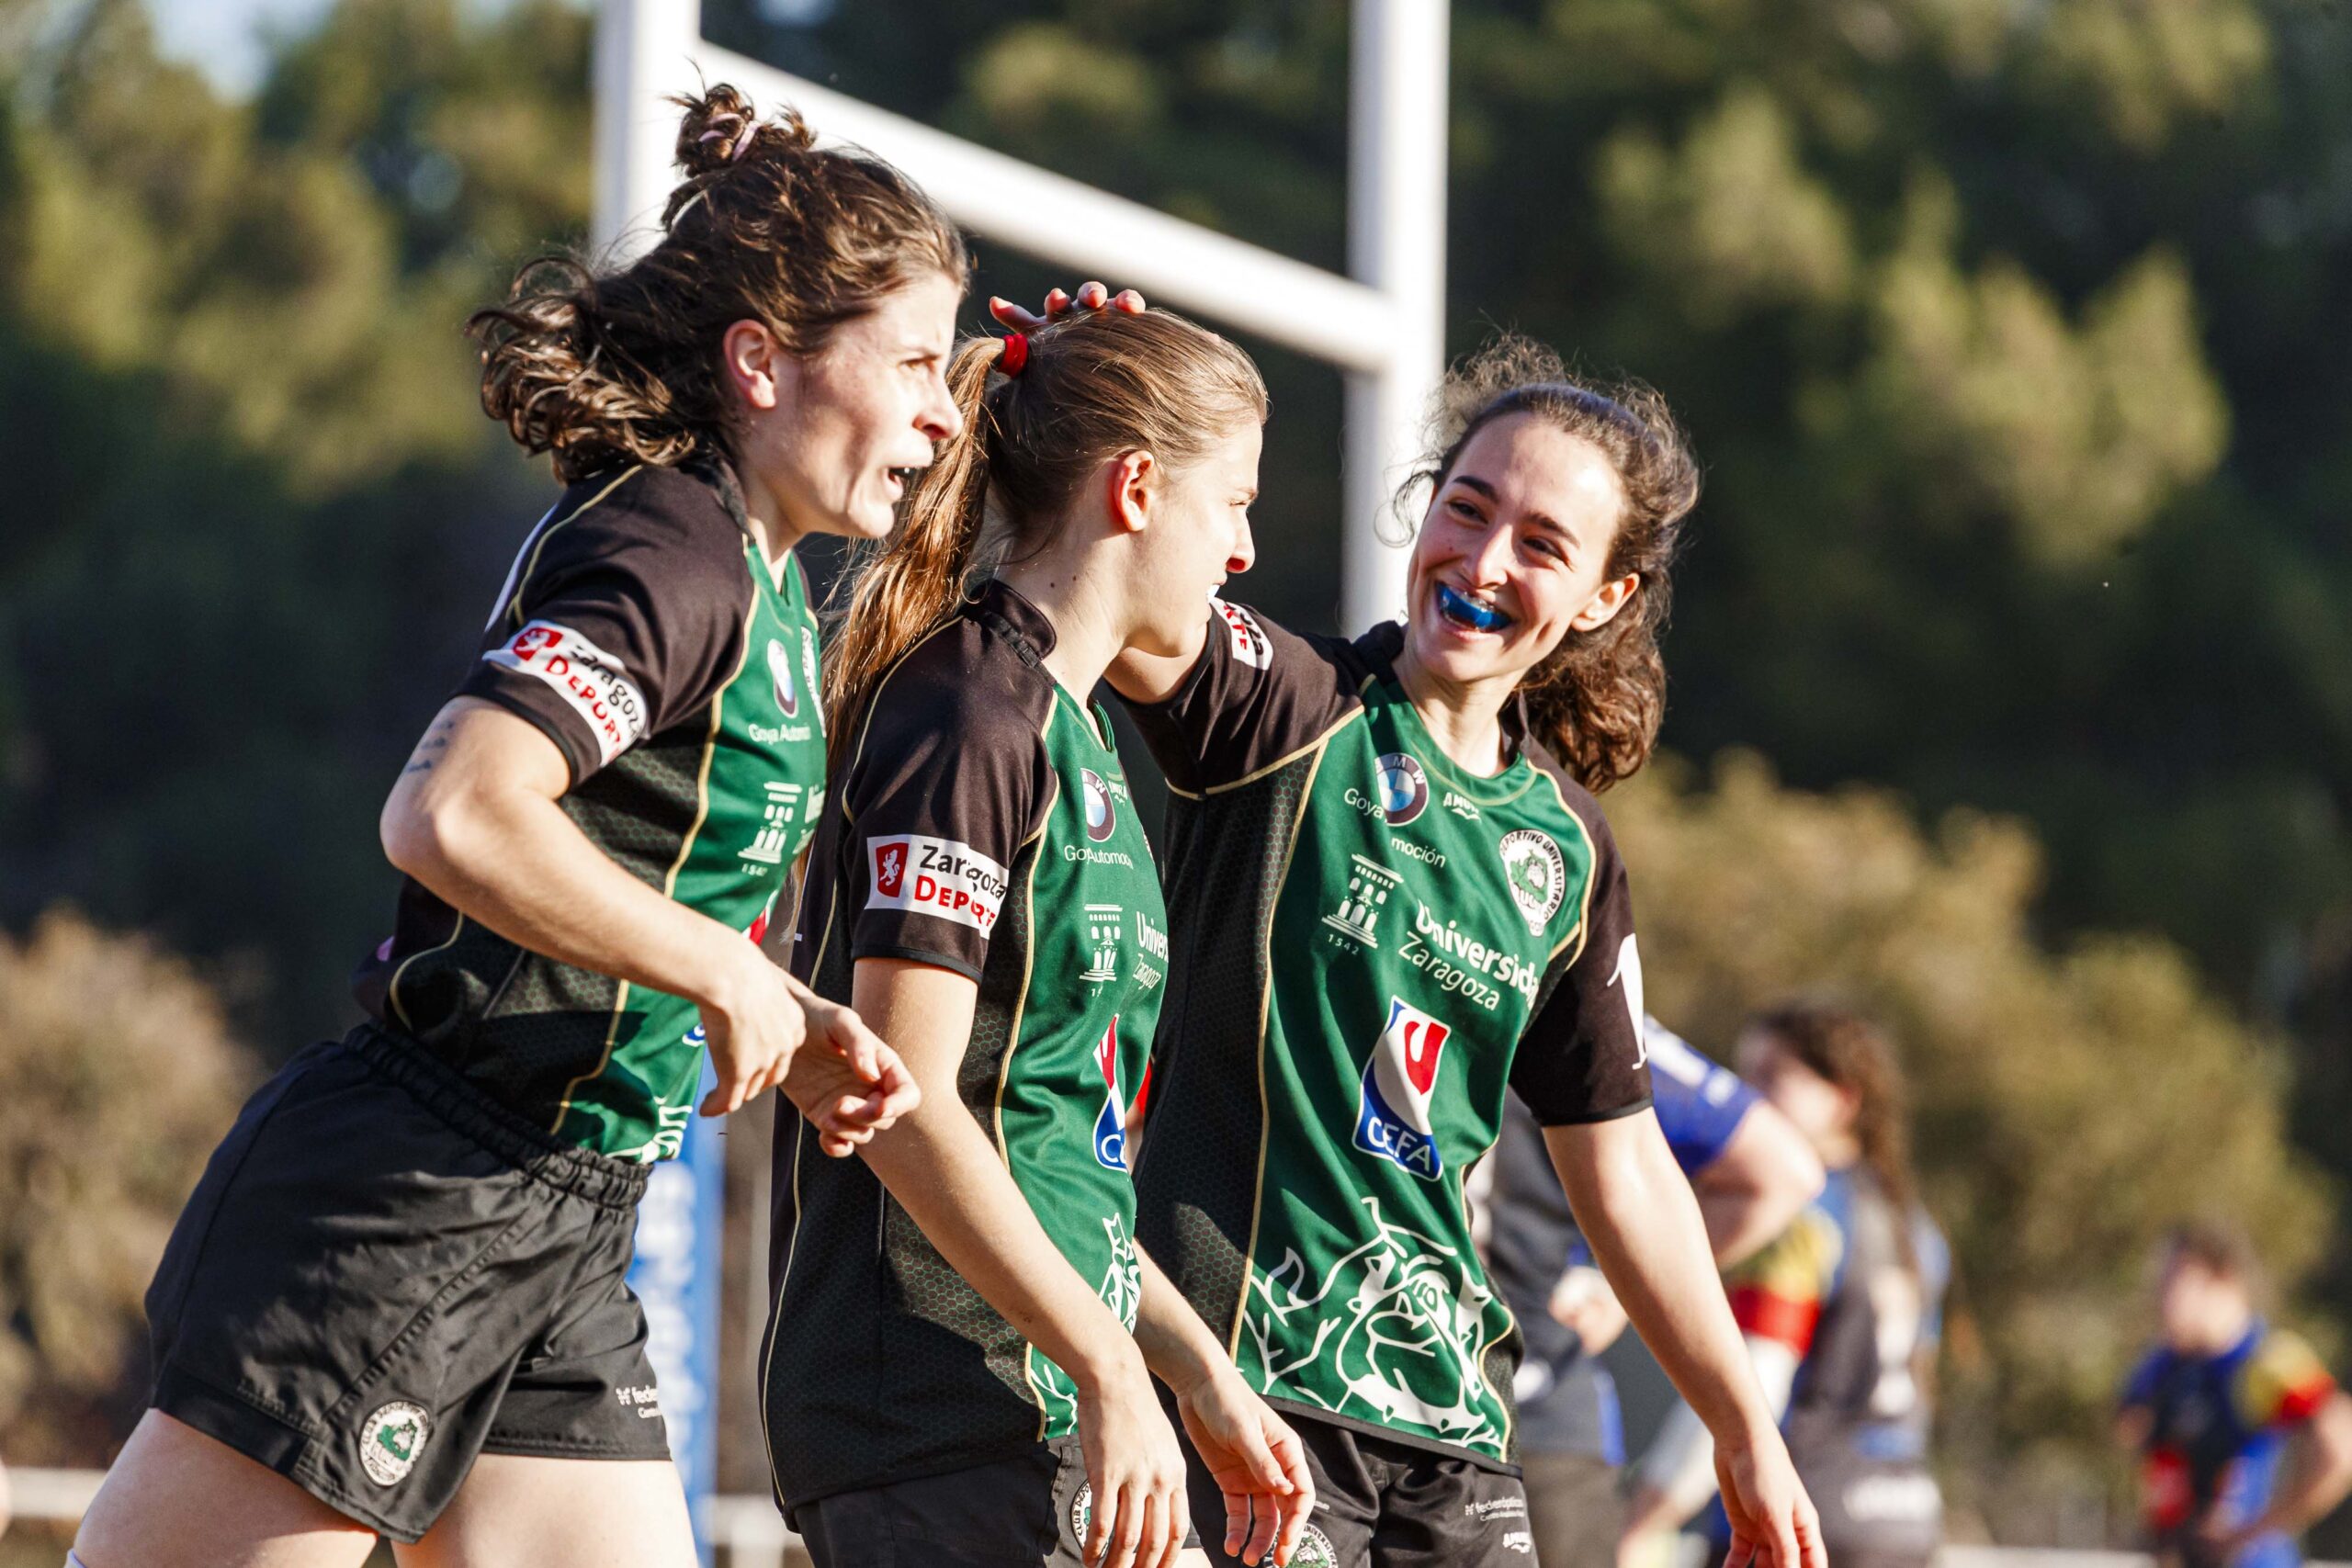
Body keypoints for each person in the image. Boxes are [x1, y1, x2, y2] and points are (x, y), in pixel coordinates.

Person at [71, 85, 948, 1568]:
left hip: (564, 1215)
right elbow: (456, 808)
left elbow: (614, 872)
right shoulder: (677, 548)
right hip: (415, 1194)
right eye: (919, 361)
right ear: (760, 363)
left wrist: (778, 1008)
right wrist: (724, 971)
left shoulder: (765, 574)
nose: (940, 408)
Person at [1050, 317, 1824, 1568]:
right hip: (1245, 1396)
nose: (1483, 557)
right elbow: (1099, 592)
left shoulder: (1567, 855)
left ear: (1604, 597)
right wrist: (1093, 400)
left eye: (1543, 544)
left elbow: (1623, 1175)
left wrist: (1743, 1429)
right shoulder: (1282, 707)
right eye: (1466, 509)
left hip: (1457, 1423)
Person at [763, 304, 1314, 1568]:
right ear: (1135, 488)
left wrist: (1197, 1371)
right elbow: (896, 1099)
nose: (1241, 549)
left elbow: (1054, 1144)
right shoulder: (970, 709)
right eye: (1231, 502)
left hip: (1044, 1391)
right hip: (938, 1404)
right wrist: (1113, 1368)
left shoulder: (1081, 736)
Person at [1481, 1017, 1824, 1568]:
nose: (1757, 1085)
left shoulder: (1349, 963)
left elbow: (1784, 1174)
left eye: (1773, 1072)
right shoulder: (1569, 996)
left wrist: (1624, 1284)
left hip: (1388, 1399)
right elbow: (1783, 1169)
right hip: (1536, 1427)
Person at [1623, 1001, 1951, 1568]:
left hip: (1802, 1523)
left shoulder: (1800, 1220)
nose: (1746, 1094)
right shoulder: (1918, 1229)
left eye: (1772, 1076)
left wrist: (1645, 1518)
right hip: (1908, 1519)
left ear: (1843, 1098)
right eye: (1741, 1074)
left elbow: (1757, 1379)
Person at [2118, 1222, 2352, 1568]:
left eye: (2175, 1282)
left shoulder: (2267, 1362)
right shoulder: (2164, 1366)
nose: (2162, 1298)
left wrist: (2251, 1531)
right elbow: (2133, 1438)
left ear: (2223, 1280)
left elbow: (2341, 1449)